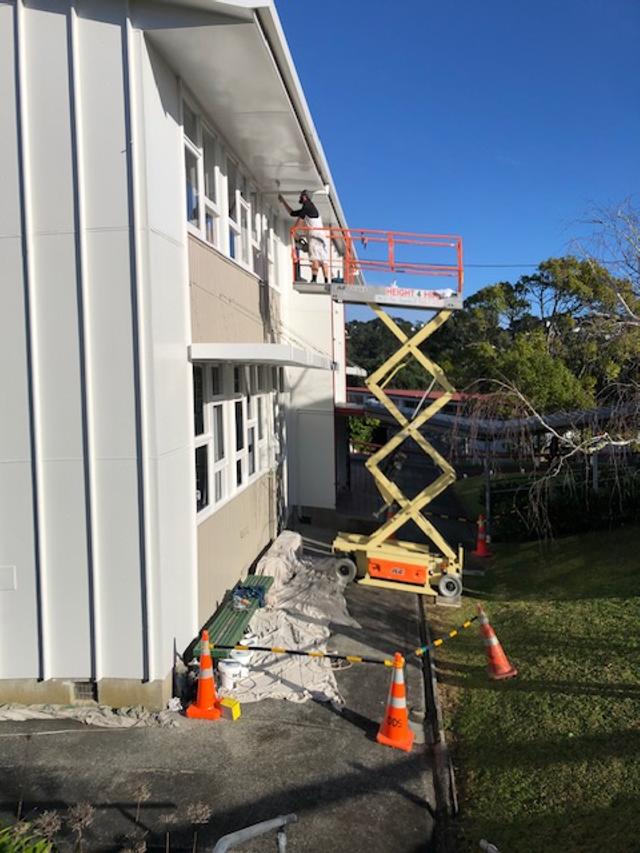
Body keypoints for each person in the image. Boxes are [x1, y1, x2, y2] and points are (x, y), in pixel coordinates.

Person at [279, 190, 330, 283]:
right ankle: (327, 280)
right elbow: (293, 213)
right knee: (323, 260)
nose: (300, 197)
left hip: (314, 237)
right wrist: (283, 201)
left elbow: (300, 220)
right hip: (321, 237)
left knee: (314, 258)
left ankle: (314, 280)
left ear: (305, 197)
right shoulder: (309, 207)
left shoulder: (307, 206)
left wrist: (293, 230)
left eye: (301, 196)